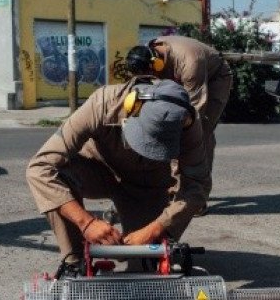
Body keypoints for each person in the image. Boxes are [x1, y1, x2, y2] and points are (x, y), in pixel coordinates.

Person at [25, 77, 209, 276]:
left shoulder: (188, 122)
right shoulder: (103, 103)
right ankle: (75, 263)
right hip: (98, 173)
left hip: (145, 187)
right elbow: (39, 168)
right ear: (133, 107)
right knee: (60, 172)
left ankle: (144, 249)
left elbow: (196, 186)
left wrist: (155, 228)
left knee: (146, 268)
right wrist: (86, 222)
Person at [125, 35, 232, 213]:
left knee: (199, 133)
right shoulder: (147, 54)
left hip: (215, 79)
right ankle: (171, 187)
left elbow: (191, 115)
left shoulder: (191, 63)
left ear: (156, 64)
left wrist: (173, 140)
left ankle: (197, 197)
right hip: (179, 76)